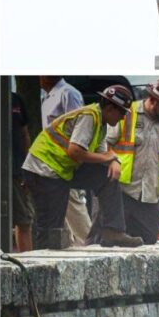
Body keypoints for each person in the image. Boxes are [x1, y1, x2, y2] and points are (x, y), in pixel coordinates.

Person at [22, 85, 143, 249]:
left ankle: (113, 231)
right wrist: (107, 157)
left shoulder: (102, 123)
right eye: (122, 112)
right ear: (109, 108)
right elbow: (75, 152)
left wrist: (113, 161)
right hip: (43, 169)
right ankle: (42, 263)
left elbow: (102, 155)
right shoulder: (89, 116)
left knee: (106, 177)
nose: (122, 118)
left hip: (62, 168)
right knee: (51, 227)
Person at [88, 79, 159, 245]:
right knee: (102, 238)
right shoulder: (125, 113)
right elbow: (103, 143)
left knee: (150, 237)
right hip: (120, 190)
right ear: (153, 100)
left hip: (148, 195)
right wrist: (111, 161)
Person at [39, 76, 91, 246]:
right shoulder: (46, 96)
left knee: (76, 213)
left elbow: (79, 128)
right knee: (63, 222)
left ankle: (91, 252)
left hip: (66, 164)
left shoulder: (68, 94)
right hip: (51, 164)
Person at [10, 90, 34, 252]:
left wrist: (28, 166)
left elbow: (25, 134)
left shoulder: (15, 99)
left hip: (16, 170)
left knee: (24, 219)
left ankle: (27, 263)